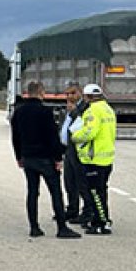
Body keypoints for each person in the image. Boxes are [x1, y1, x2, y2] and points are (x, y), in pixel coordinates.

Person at [10, 81, 81, 238]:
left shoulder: (19, 112)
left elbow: (15, 137)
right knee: (55, 192)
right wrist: (58, 158)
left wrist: (19, 156)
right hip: (45, 158)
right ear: (41, 92)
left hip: (28, 157)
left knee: (32, 192)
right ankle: (62, 228)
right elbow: (52, 137)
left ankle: (34, 227)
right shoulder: (45, 112)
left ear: (28, 92)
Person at [71, 83, 117, 234]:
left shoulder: (93, 111)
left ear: (88, 97)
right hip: (106, 157)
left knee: (96, 193)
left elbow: (90, 132)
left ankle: (101, 223)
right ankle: (102, 219)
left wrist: (75, 136)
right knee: (102, 191)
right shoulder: (108, 109)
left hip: (94, 158)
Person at [59, 82, 88, 223]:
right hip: (68, 149)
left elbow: (82, 125)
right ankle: (72, 209)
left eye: (73, 93)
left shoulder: (83, 107)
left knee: (81, 182)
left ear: (80, 93)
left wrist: (74, 111)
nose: (70, 96)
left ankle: (86, 212)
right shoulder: (66, 108)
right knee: (69, 182)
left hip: (79, 150)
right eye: (67, 93)